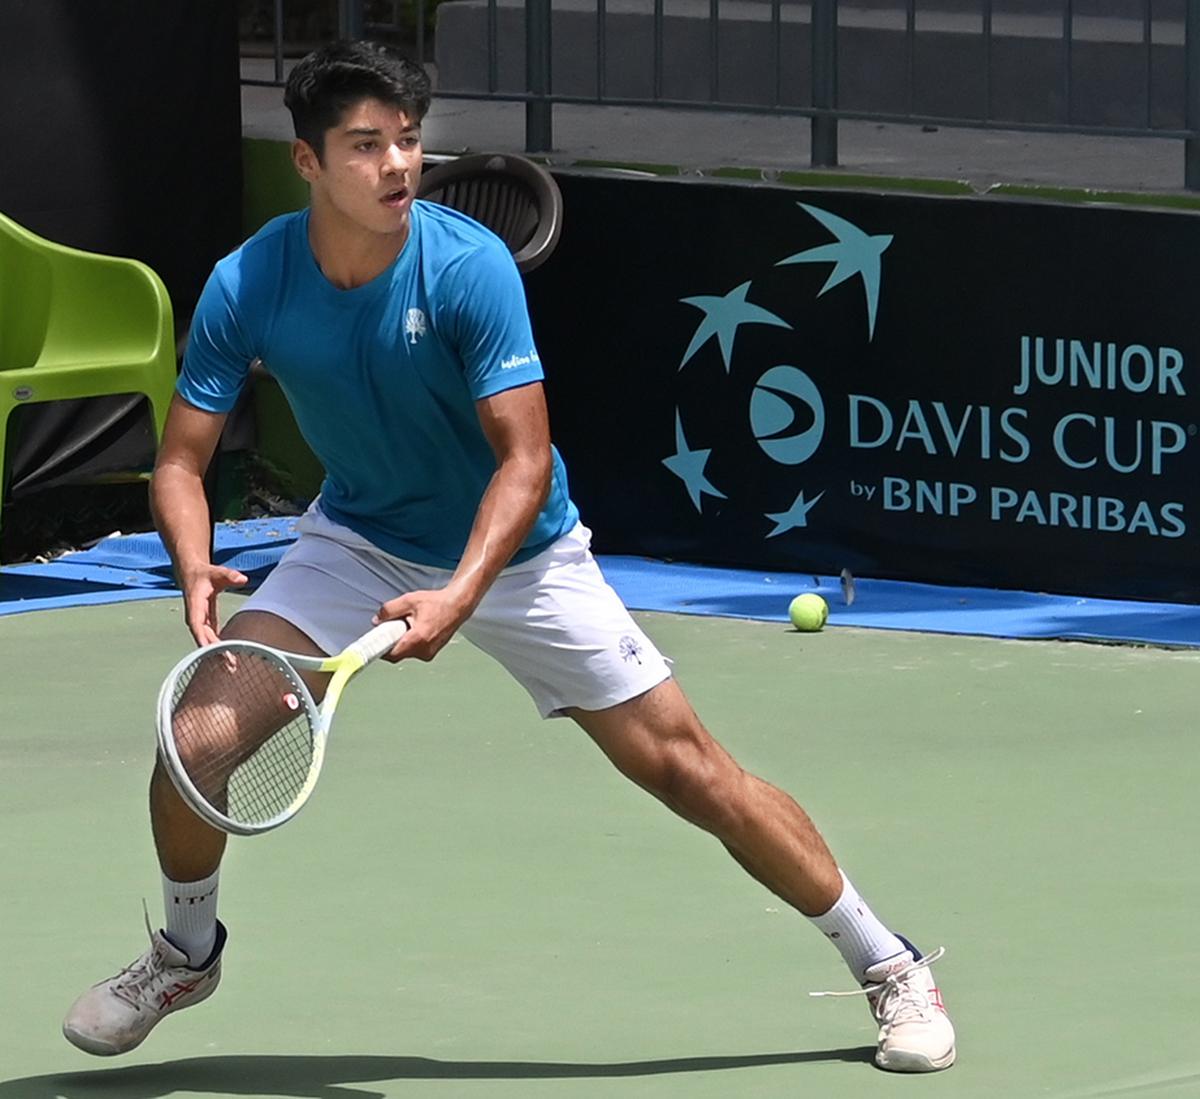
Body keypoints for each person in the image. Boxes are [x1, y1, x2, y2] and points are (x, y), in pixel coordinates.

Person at [62, 41, 955, 1073]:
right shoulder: (249, 280)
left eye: (407, 141)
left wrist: (457, 595)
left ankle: (891, 965)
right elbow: (181, 461)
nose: (397, 165)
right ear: (306, 161)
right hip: (354, 541)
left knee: (688, 771)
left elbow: (524, 462)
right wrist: (193, 559)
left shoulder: (467, 268)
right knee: (199, 740)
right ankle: (186, 949)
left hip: (521, 553)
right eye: (366, 146)